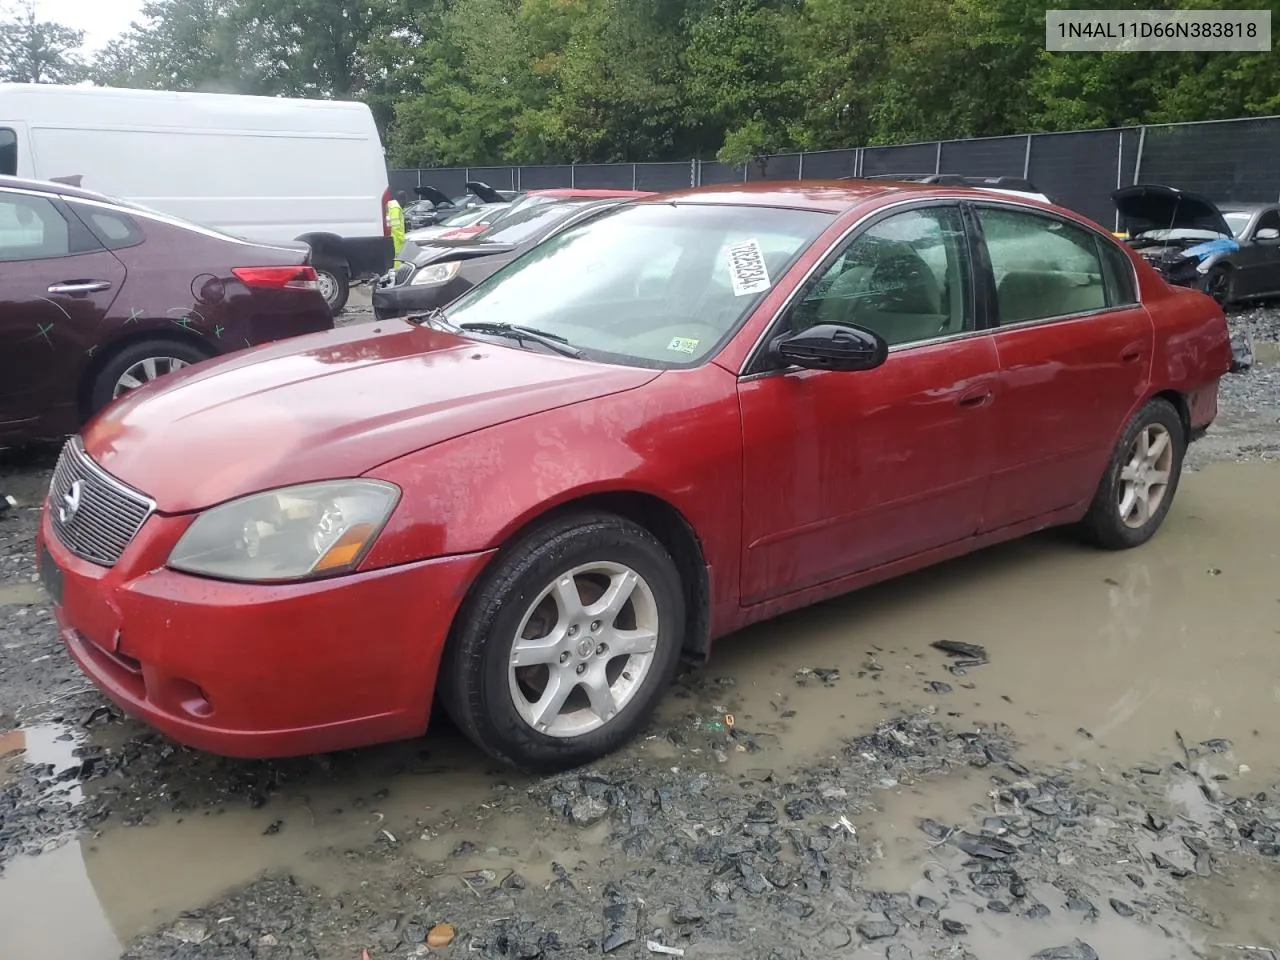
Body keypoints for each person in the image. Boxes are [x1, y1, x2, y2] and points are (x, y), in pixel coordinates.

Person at [387, 191, 407, 257]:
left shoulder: (392, 206)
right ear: (402, 199)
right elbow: (396, 226)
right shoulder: (396, 208)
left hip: (393, 237)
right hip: (397, 240)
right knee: (398, 257)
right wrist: (402, 238)